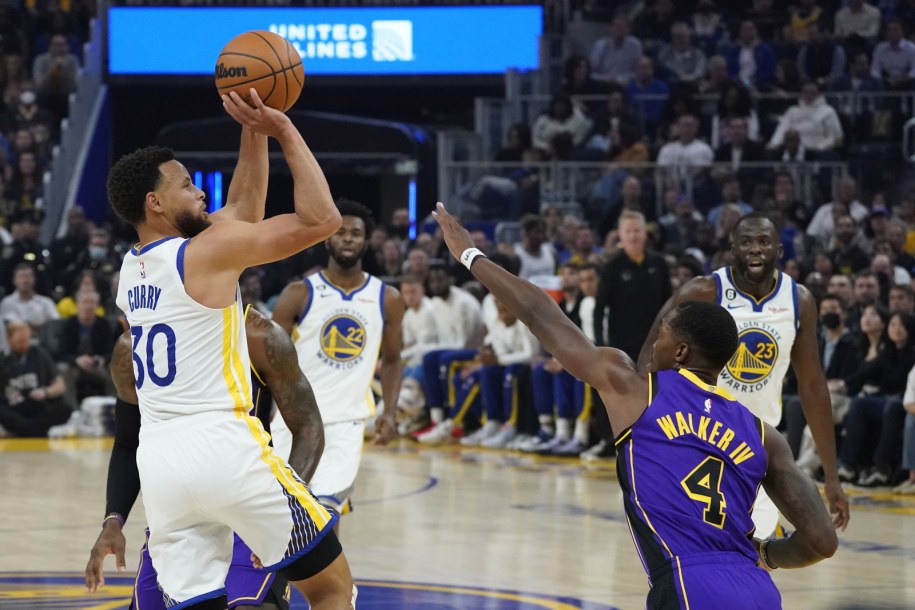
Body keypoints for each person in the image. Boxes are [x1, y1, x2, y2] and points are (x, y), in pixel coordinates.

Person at [432, 202, 838, 608]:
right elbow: (822, 541)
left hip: (687, 583)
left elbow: (541, 315)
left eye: (661, 334)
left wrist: (471, 255)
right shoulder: (764, 434)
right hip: (759, 590)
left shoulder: (635, 391)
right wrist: (767, 553)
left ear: (679, 351)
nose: (654, 343)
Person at [104, 88, 353, 610]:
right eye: (188, 185)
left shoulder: (131, 269)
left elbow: (242, 209)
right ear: (155, 202)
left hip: (164, 468)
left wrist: (252, 128)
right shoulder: (206, 253)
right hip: (224, 446)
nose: (200, 193)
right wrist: (283, 129)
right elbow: (321, 221)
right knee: (331, 587)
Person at [86, 306, 325, 610]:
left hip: (246, 499)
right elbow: (127, 443)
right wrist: (113, 520)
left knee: (254, 605)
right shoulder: (131, 348)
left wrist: (282, 514)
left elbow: (308, 426)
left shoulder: (257, 334)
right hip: (180, 508)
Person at [637, 212, 850, 538]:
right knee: (700, 551)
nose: (755, 249)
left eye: (764, 242)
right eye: (746, 242)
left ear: (779, 250)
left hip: (759, 445)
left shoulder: (799, 301)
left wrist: (831, 476)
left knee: (756, 556)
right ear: (732, 250)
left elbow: (812, 386)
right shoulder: (705, 291)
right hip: (700, 440)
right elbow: (650, 360)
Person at [272, 199, 404, 520]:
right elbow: (268, 360)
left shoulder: (387, 298)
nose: (348, 238)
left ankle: (327, 572)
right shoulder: (298, 294)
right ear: (327, 239)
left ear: (366, 240)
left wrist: (389, 410)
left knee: (325, 514)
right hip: (293, 420)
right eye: (340, 232)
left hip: (347, 422)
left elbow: (392, 360)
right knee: (283, 514)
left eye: (356, 233)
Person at [0, 320, 71, 436]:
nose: (24, 345)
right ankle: (35, 430)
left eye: (26, 341)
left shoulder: (39, 354)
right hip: (15, 409)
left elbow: (60, 386)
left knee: (64, 408)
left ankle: (25, 430)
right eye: (19, 342)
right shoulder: (2, 360)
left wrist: (45, 392)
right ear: (9, 339)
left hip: (38, 407)